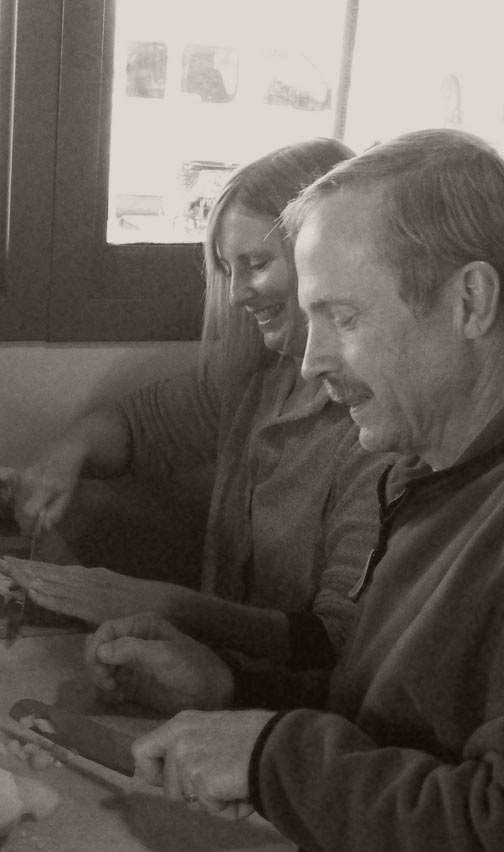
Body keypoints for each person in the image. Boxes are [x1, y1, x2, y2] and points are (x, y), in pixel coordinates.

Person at [88, 127, 504, 851]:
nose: (311, 363)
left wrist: (269, 756)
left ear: (470, 302)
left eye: (344, 317)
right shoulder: (425, 471)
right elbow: (378, 721)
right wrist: (230, 691)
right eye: (312, 318)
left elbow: (484, 820)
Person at [5, 138, 388, 672]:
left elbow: (334, 643)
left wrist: (163, 603)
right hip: (213, 679)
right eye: (227, 270)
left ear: (325, 260)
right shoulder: (258, 373)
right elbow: (138, 427)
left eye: (255, 264)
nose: (235, 296)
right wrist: (67, 452)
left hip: (286, 710)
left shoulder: (381, 427)